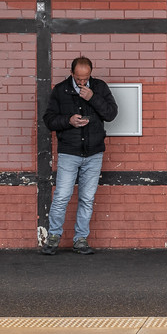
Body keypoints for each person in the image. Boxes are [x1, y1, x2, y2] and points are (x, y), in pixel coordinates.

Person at [41, 55, 118, 255]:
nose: (82, 82)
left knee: (87, 198)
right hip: (69, 152)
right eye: (78, 79)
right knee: (61, 197)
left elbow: (111, 114)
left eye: (86, 78)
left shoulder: (99, 87)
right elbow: (49, 120)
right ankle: (53, 237)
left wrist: (92, 97)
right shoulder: (60, 90)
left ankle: (80, 239)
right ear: (72, 73)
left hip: (94, 153)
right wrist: (69, 121)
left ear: (90, 73)